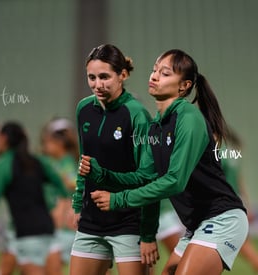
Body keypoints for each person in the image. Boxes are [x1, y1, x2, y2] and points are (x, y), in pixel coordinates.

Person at [80, 49, 249, 275]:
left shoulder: (189, 118)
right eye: (154, 70)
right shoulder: (155, 127)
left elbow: (174, 181)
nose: (154, 76)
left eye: (165, 73)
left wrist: (118, 199)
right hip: (196, 224)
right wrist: (104, 175)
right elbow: (145, 178)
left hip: (222, 218)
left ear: (184, 86)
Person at [70, 44, 159, 275]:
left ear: (123, 75)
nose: (97, 84)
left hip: (128, 221)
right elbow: (84, 161)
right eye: (91, 77)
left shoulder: (137, 114)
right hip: (91, 221)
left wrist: (148, 233)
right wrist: (79, 203)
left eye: (104, 77)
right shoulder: (83, 109)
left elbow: (148, 178)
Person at [0, 121, 69, 275]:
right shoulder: (37, 161)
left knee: (5, 269)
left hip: (26, 235)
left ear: (3, 139)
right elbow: (62, 187)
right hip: (49, 232)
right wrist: (60, 210)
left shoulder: (2, 165)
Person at [221, 130, 258, 275]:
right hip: (236, 203)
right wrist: (248, 206)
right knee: (239, 245)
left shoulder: (217, 154)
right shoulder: (231, 153)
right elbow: (240, 182)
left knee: (241, 246)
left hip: (225, 205)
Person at [41, 118, 79, 274]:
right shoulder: (52, 162)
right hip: (61, 226)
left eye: (49, 141)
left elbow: (74, 184)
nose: (46, 145)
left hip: (66, 226)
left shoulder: (67, 163)